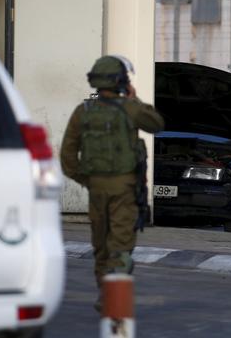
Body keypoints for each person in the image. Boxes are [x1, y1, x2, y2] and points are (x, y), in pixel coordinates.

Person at [60, 55, 164, 311]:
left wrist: (87, 181)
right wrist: (134, 98)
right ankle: (114, 302)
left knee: (101, 244)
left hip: (96, 188)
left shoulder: (82, 112)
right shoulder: (129, 108)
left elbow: (67, 157)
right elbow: (157, 124)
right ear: (121, 81)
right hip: (125, 189)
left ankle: (104, 294)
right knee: (120, 244)